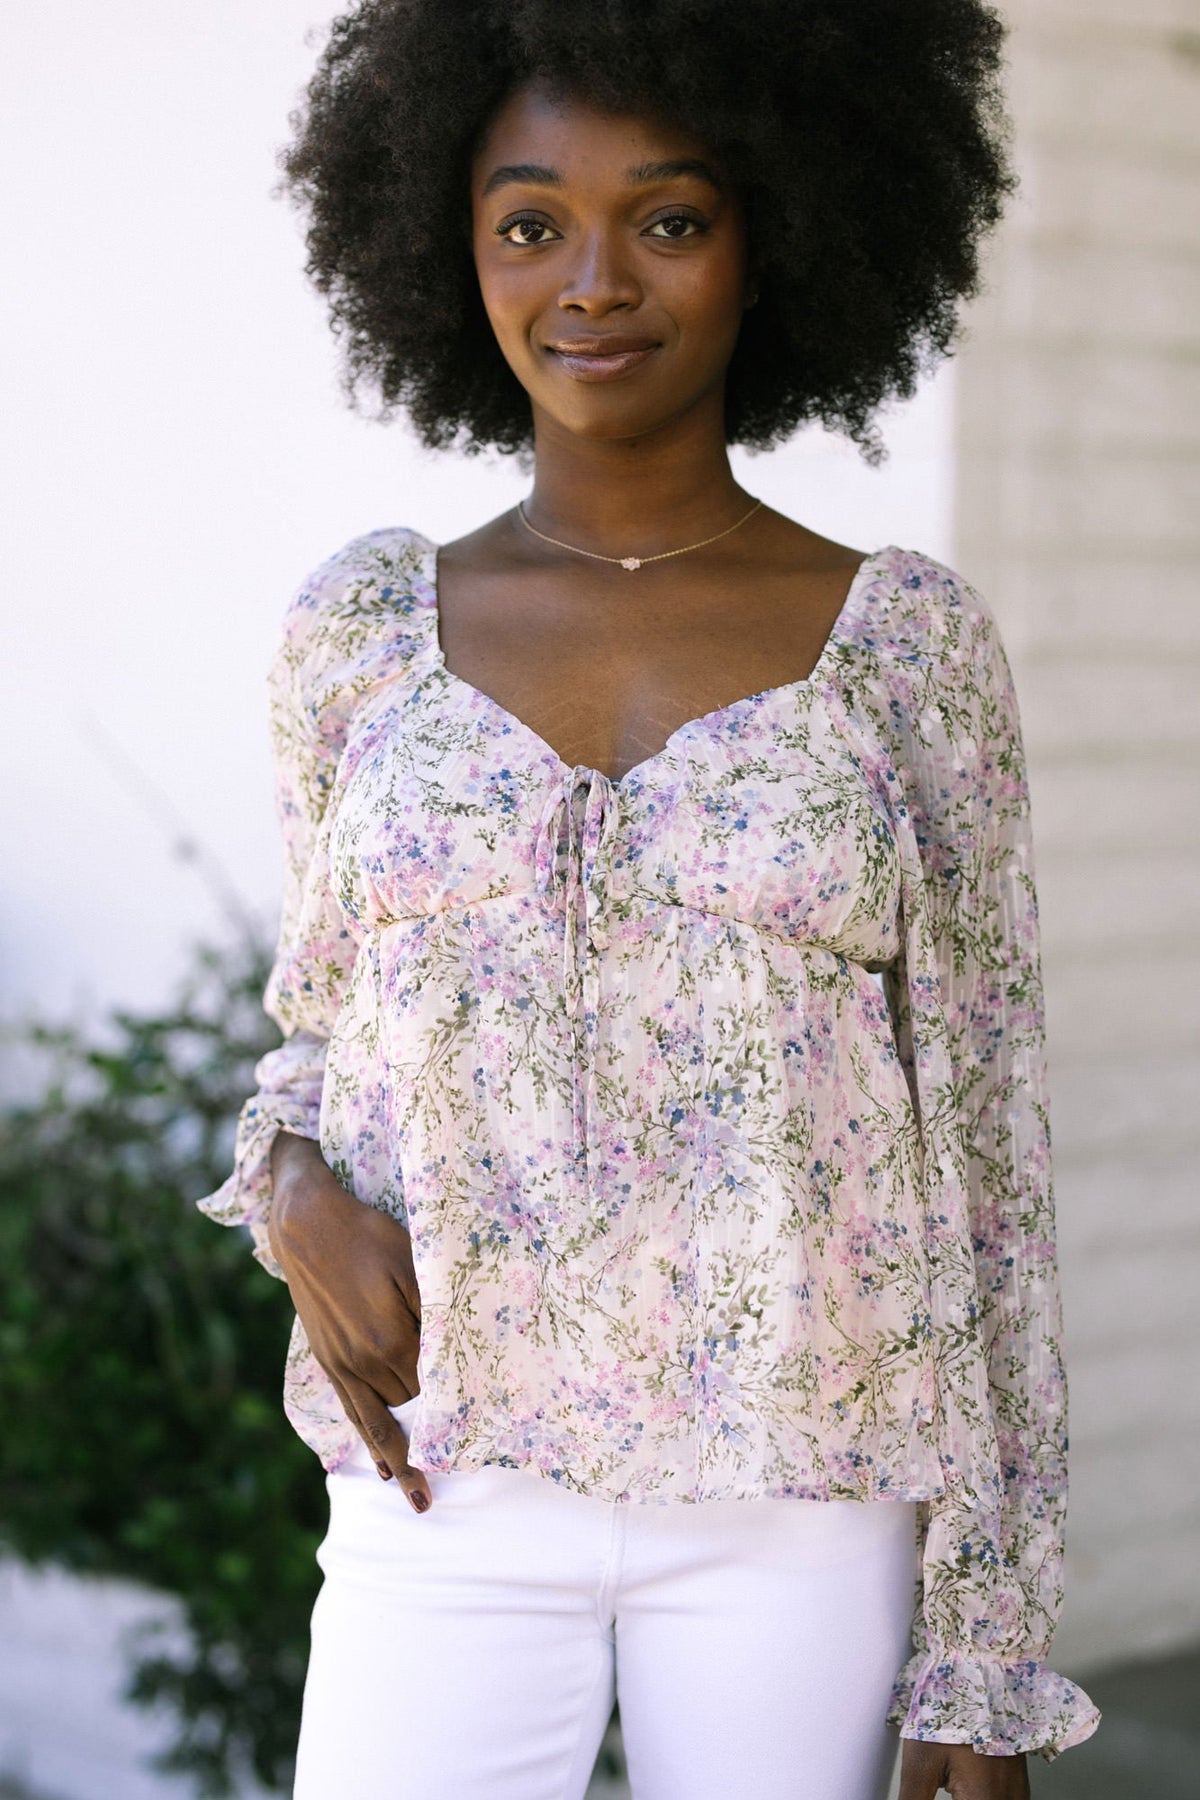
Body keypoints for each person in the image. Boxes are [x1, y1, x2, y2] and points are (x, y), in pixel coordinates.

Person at [198, 2, 1103, 1795]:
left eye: (669, 219)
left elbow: (990, 1154)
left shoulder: (906, 649)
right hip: (441, 1488)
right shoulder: (359, 631)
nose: (595, 281)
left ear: (775, 236)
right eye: (531, 222)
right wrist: (287, 1189)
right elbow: (325, 1024)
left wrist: (985, 1649)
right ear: (448, 247)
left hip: (807, 1504)